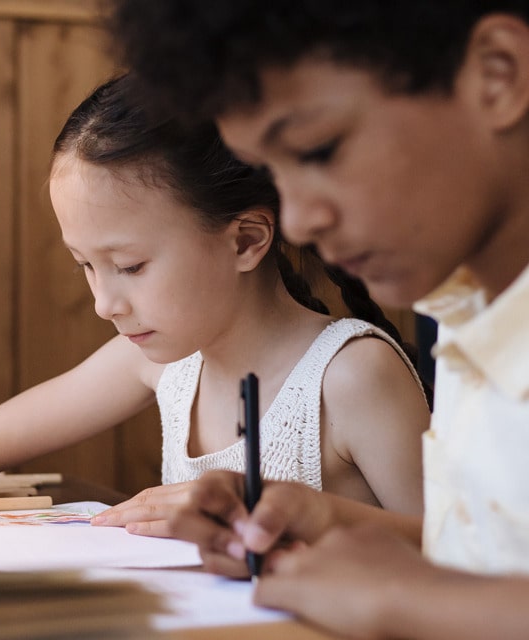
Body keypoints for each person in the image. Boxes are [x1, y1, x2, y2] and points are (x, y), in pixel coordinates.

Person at [108, 1, 529, 638]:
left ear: (497, 75)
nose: (299, 220)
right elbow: (489, 564)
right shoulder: (470, 317)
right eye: (273, 172)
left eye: (318, 150)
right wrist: (326, 523)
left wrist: (406, 600)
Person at [0, 73, 429, 540]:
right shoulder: (163, 361)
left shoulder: (351, 375)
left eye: (131, 265)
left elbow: (460, 555)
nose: (103, 304)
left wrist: (300, 516)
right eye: (85, 264)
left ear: (245, 241)